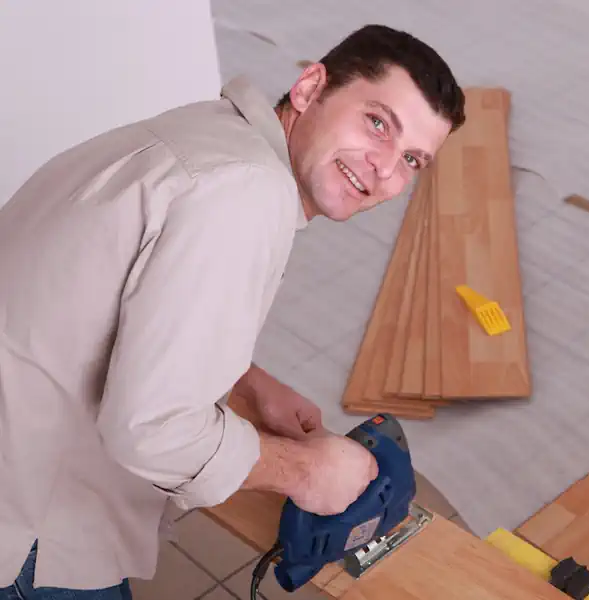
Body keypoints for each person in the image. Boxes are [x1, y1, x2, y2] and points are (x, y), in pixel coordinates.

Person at [0, 23, 466, 599]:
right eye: (377, 124)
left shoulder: (211, 137)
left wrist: (247, 385)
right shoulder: (244, 193)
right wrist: (307, 473)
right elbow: (150, 433)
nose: (385, 170)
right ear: (309, 87)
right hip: (27, 525)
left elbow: (115, 292)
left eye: (413, 159)